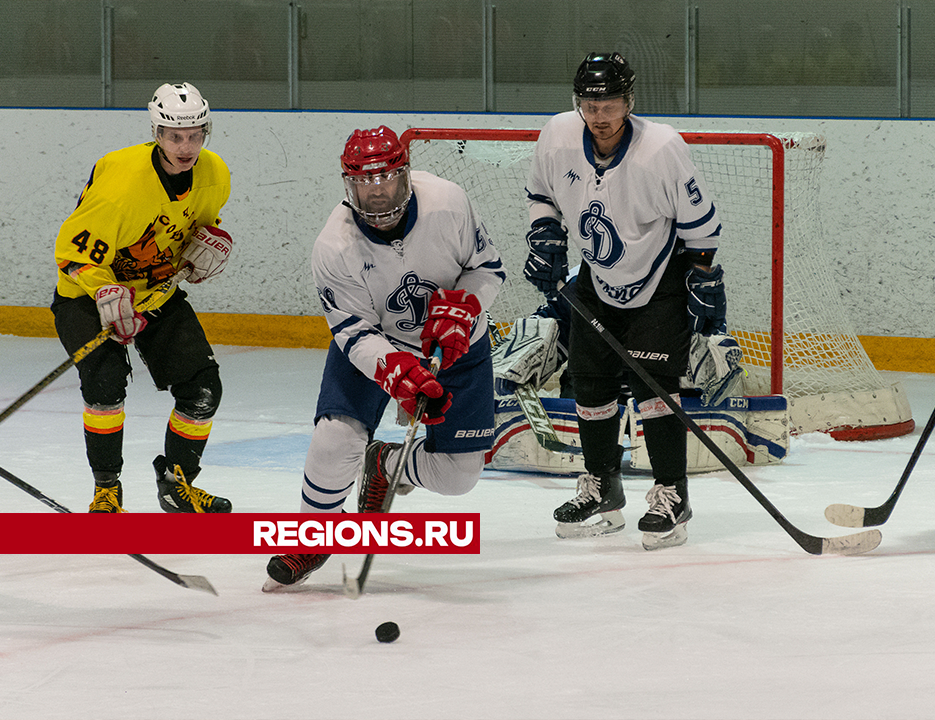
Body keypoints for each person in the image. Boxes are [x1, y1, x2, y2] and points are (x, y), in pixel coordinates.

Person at [264, 126, 505, 589]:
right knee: (334, 440)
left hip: (458, 346)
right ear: (347, 185)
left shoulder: (449, 202)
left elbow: (488, 268)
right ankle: (311, 537)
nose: (376, 193)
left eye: (386, 179)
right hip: (379, 348)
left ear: (405, 175)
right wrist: (395, 371)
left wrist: (466, 304)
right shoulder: (332, 246)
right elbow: (353, 331)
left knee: (459, 477)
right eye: (363, 182)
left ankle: (387, 464)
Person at [523, 52, 725, 549]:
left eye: (611, 102)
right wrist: (545, 235)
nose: (600, 114)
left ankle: (671, 493)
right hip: (597, 278)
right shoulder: (557, 136)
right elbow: (541, 195)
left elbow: (700, 225)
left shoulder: (662, 149)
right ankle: (603, 488)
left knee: (655, 390)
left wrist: (702, 276)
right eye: (590, 103)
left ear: (629, 102)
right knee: (590, 387)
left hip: (659, 280)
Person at [51, 82, 233, 514]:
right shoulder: (122, 185)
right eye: (175, 136)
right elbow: (70, 256)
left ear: (205, 131)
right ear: (157, 133)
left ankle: (177, 483)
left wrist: (200, 254)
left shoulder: (215, 174)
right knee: (105, 389)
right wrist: (105, 291)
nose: (185, 146)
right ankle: (106, 491)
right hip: (85, 295)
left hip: (156, 294)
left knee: (204, 388)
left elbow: (191, 235)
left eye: (194, 135)